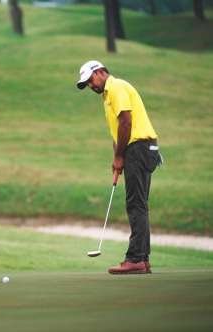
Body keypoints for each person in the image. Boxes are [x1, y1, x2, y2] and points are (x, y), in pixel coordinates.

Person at [76, 60, 162, 274]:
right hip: (137, 149)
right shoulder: (107, 97)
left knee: (136, 204)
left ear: (101, 72)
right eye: (86, 84)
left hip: (139, 147)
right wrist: (117, 158)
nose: (90, 86)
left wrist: (119, 156)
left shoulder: (116, 87)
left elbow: (126, 122)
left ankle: (135, 259)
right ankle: (142, 258)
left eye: (90, 80)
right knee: (139, 203)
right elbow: (118, 131)